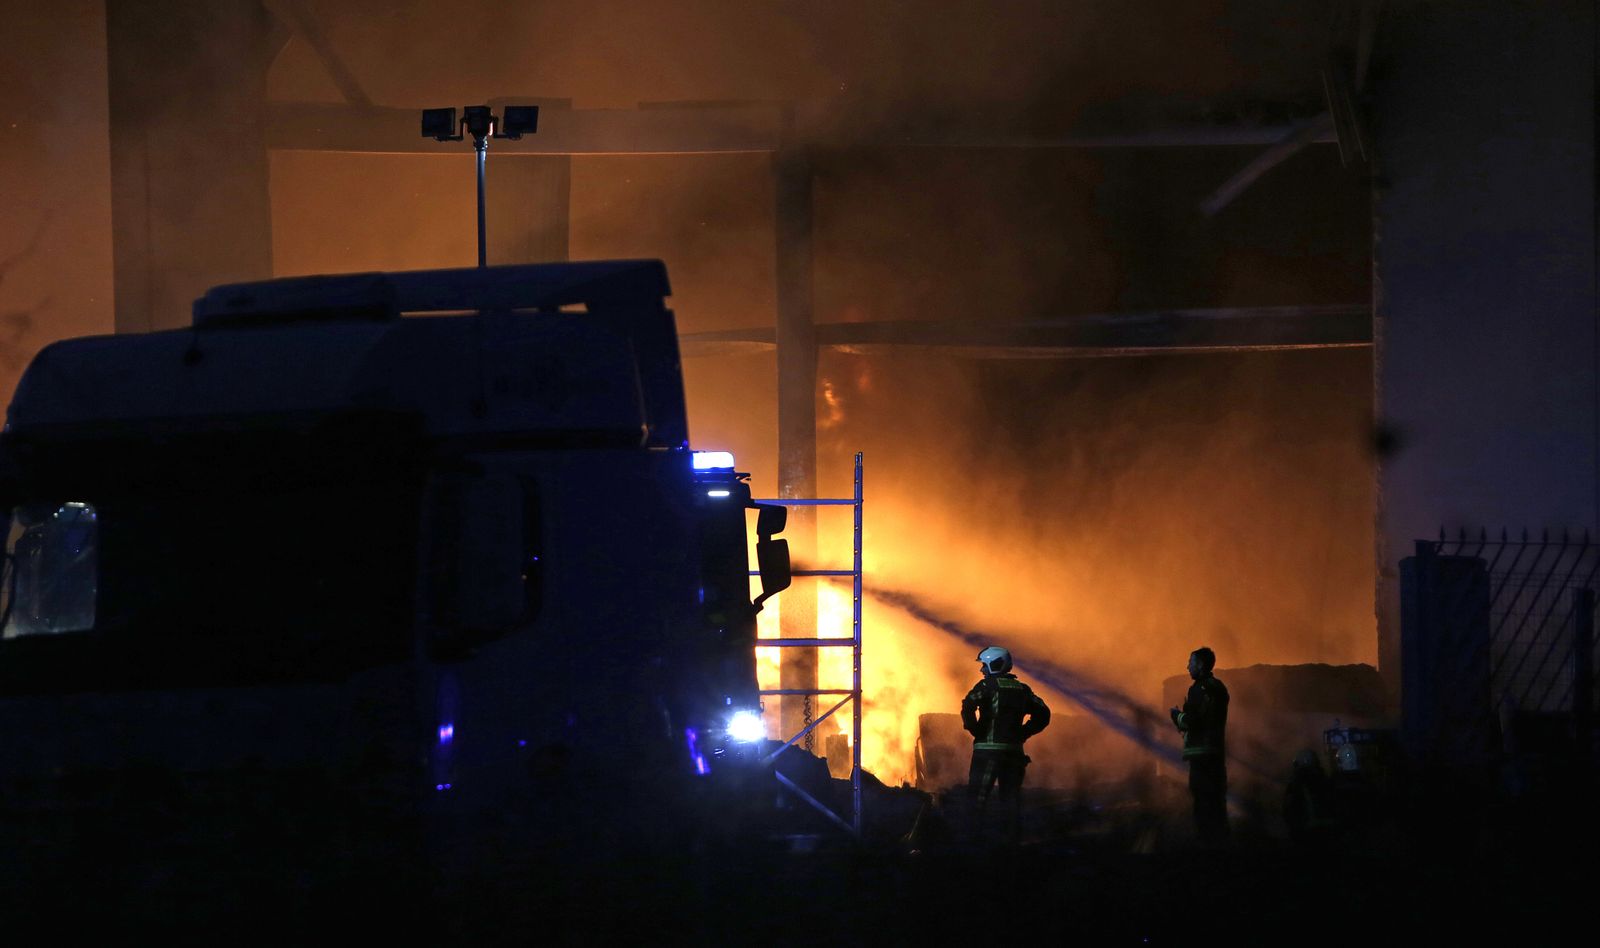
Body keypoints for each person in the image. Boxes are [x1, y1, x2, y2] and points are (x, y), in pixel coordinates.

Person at [960, 646, 1051, 842]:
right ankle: (1011, 844)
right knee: (1010, 800)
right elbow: (1044, 713)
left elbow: (968, 704)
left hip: (987, 753)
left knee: (978, 799)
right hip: (1014, 754)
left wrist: (974, 728)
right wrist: (1025, 732)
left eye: (984, 665)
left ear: (994, 665)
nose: (982, 670)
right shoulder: (1022, 690)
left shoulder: (985, 687)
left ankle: (972, 843)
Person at [1170, 646, 1230, 845]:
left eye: (1191, 662)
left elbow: (1194, 721)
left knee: (1203, 804)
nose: (1187, 666)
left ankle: (1207, 849)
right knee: (1216, 804)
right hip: (1214, 756)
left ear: (1201, 665)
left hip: (1201, 758)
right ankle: (1221, 847)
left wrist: (1177, 716)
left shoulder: (1201, 688)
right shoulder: (1218, 688)